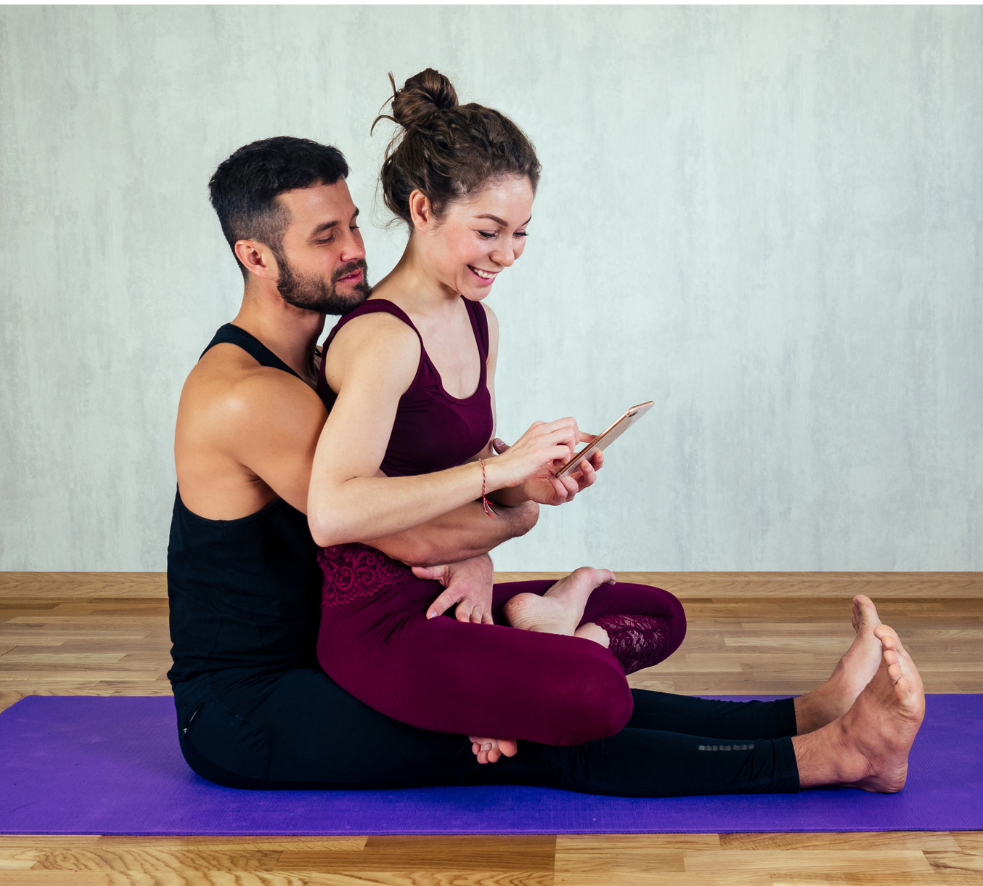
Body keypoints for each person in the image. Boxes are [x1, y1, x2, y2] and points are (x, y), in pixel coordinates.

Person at [167, 132, 925, 796]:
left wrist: (488, 546)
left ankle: (805, 714)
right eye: (325, 237)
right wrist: (504, 503)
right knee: (539, 735)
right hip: (252, 702)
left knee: (639, 616)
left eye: (354, 224)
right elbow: (391, 533)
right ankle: (834, 756)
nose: (356, 250)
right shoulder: (250, 396)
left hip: (377, 626)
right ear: (256, 256)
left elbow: (425, 508)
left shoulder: (320, 361)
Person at [307, 69, 689, 749]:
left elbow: (469, 462)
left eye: (521, 234)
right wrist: (497, 476)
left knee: (657, 612)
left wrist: (528, 480)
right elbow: (333, 512)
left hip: (458, 587)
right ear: (423, 210)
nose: (507, 255)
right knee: (595, 696)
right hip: (381, 621)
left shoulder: (478, 322)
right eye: (489, 232)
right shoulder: (381, 339)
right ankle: (547, 644)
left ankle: (546, 637)